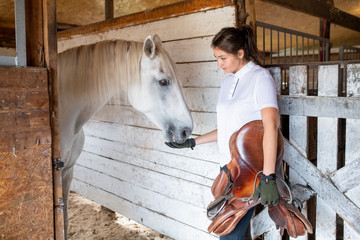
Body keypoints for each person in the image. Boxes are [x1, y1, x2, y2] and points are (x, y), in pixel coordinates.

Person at [166, 25, 280, 240]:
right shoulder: (228, 81)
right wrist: (193, 142)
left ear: (240, 53)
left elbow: (271, 126)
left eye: (223, 58)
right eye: (216, 58)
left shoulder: (260, 78)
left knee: (229, 234)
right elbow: (229, 128)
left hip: (252, 172)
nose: (219, 64)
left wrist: (269, 176)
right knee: (234, 233)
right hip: (228, 168)